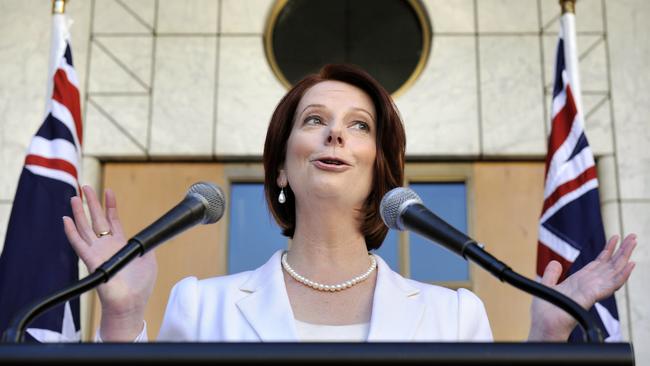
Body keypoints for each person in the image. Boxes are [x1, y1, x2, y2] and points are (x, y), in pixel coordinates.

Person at [63, 64, 637, 342]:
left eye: (358, 126)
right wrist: (121, 312)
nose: (335, 135)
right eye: (314, 121)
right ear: (282, 167)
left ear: (379, 170)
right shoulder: (199, 307)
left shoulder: (453, 317)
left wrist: (547, 338)